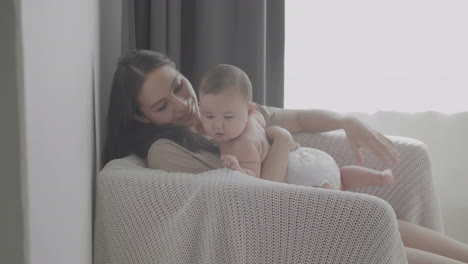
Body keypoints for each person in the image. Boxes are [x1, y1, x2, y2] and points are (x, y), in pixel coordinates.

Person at [103, 49, 468, 263]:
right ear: (142, 116)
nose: (183, 105)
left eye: (179, 86)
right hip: (277, 222)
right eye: (163, 105)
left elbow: (296, 117)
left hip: (309, 197)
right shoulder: (167, 151)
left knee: (383, 218)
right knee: (370, 220)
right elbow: (247, 192)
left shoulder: (225, 107)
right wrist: (277, 141)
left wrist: (346, 120)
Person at [197, 64, 395, 191]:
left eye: (228, 117)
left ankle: (371, 184)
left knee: (338, 196)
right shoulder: (257, 117)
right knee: (342, 178)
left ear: (249, 111)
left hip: (303, 178)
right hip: (313, 158)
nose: (218, 124)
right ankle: (377, 177)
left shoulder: (240, 145)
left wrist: (238, 169)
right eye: (209, 116)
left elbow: (257, 183)